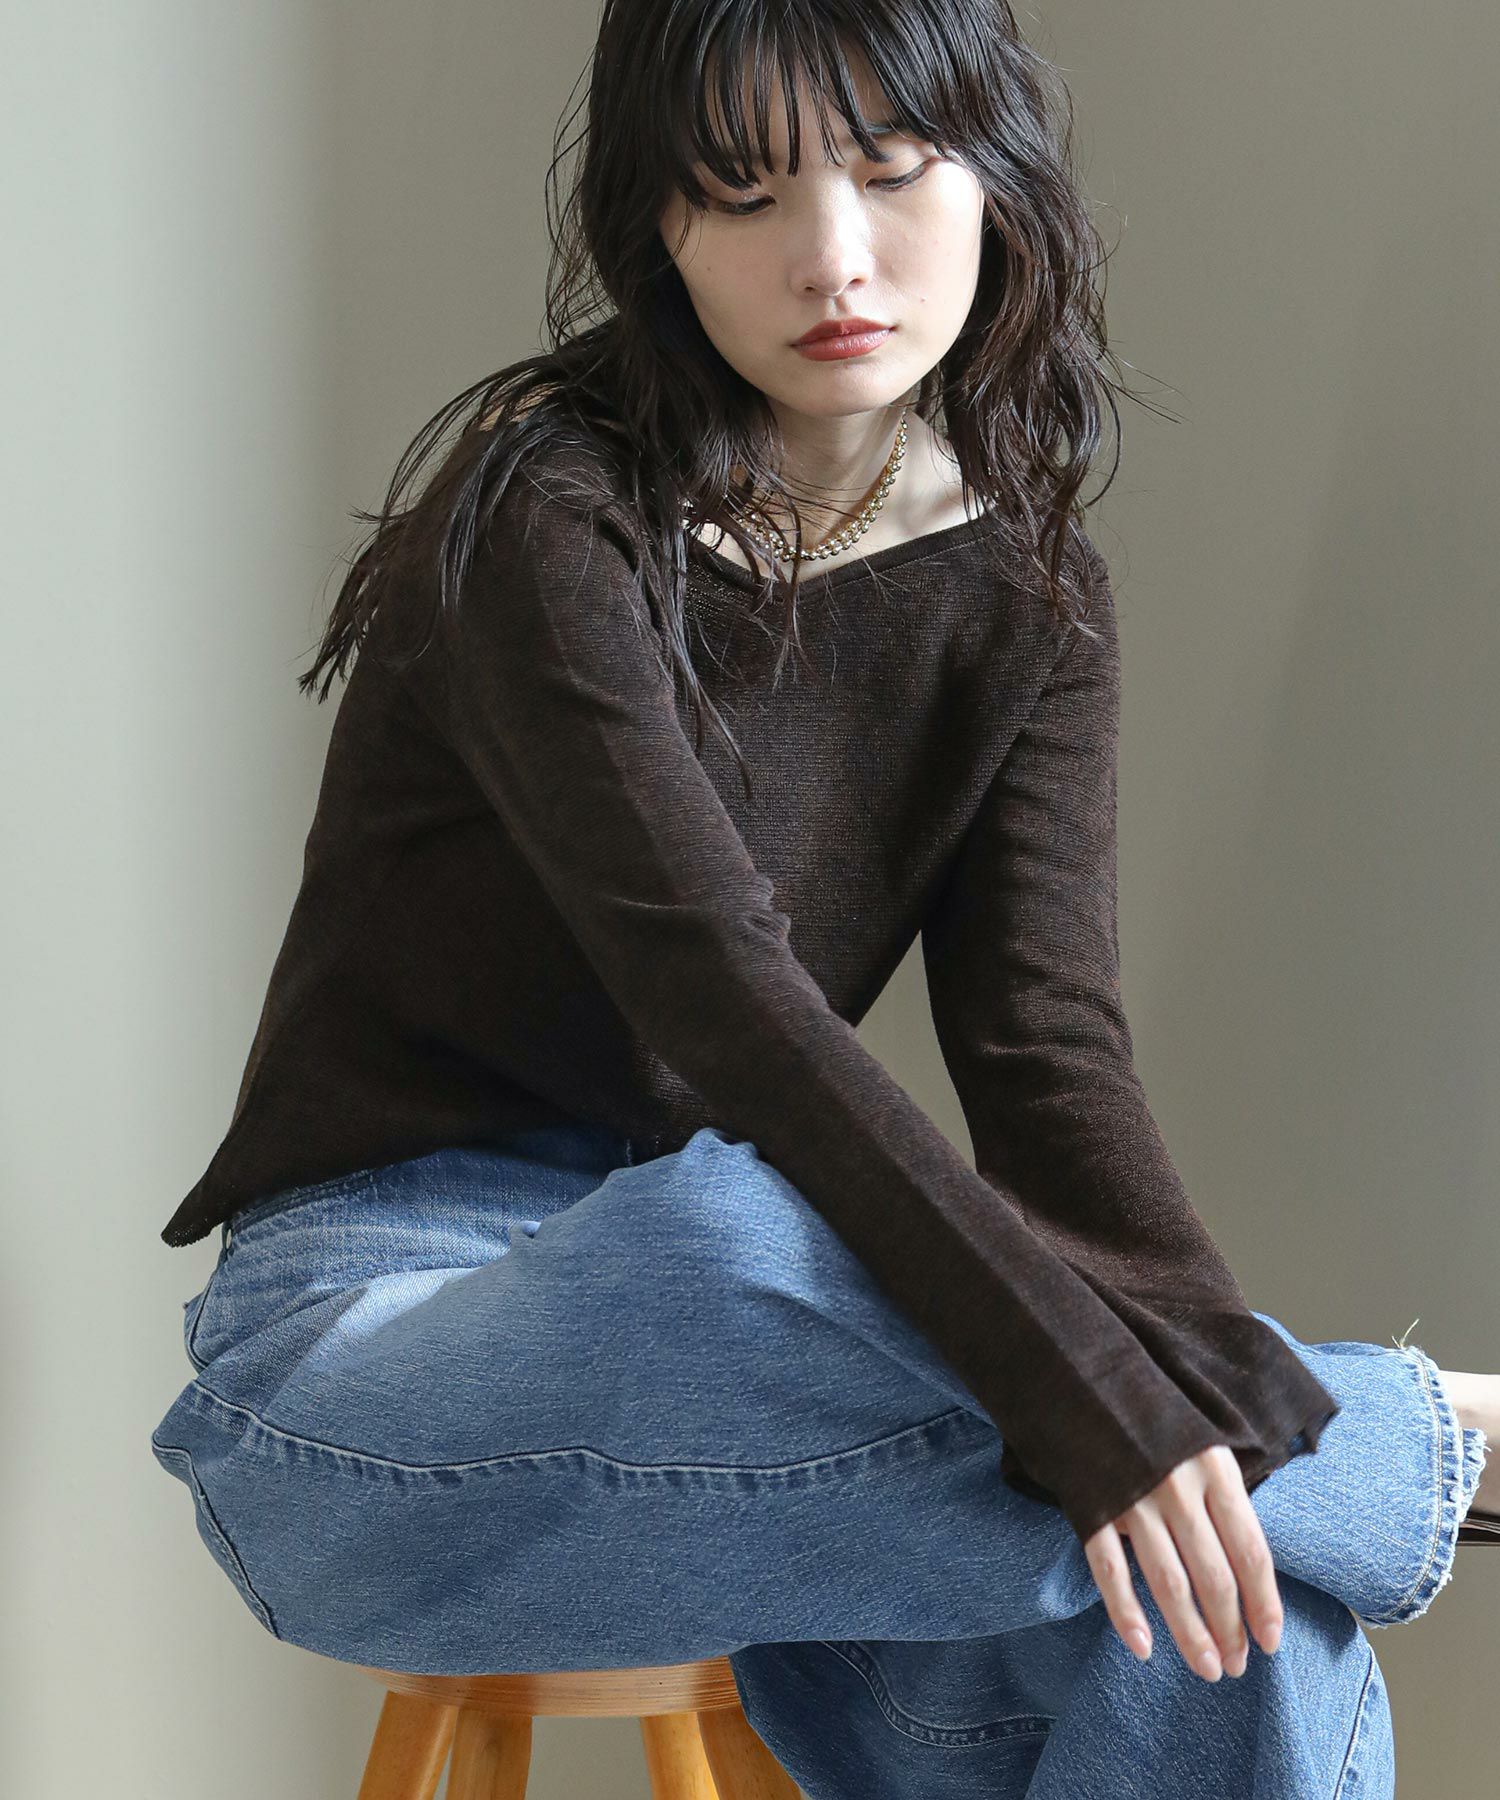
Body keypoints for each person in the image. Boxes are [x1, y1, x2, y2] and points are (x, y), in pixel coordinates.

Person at [149, 4, 1494, 1793]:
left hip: (786, 1448)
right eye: (744, 192)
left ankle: (1292, 1460)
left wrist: (1178, 1404)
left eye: (888, 168)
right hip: (379, 1387)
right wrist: (1165, 1401)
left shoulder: (1030, 598)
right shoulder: (550, 512)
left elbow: (1053, 1067)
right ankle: (1417, 1444)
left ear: (992, 176)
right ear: (659, 229)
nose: (833, 256)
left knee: (1226, 1605)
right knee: (731, 1231)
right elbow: (732, 1015)